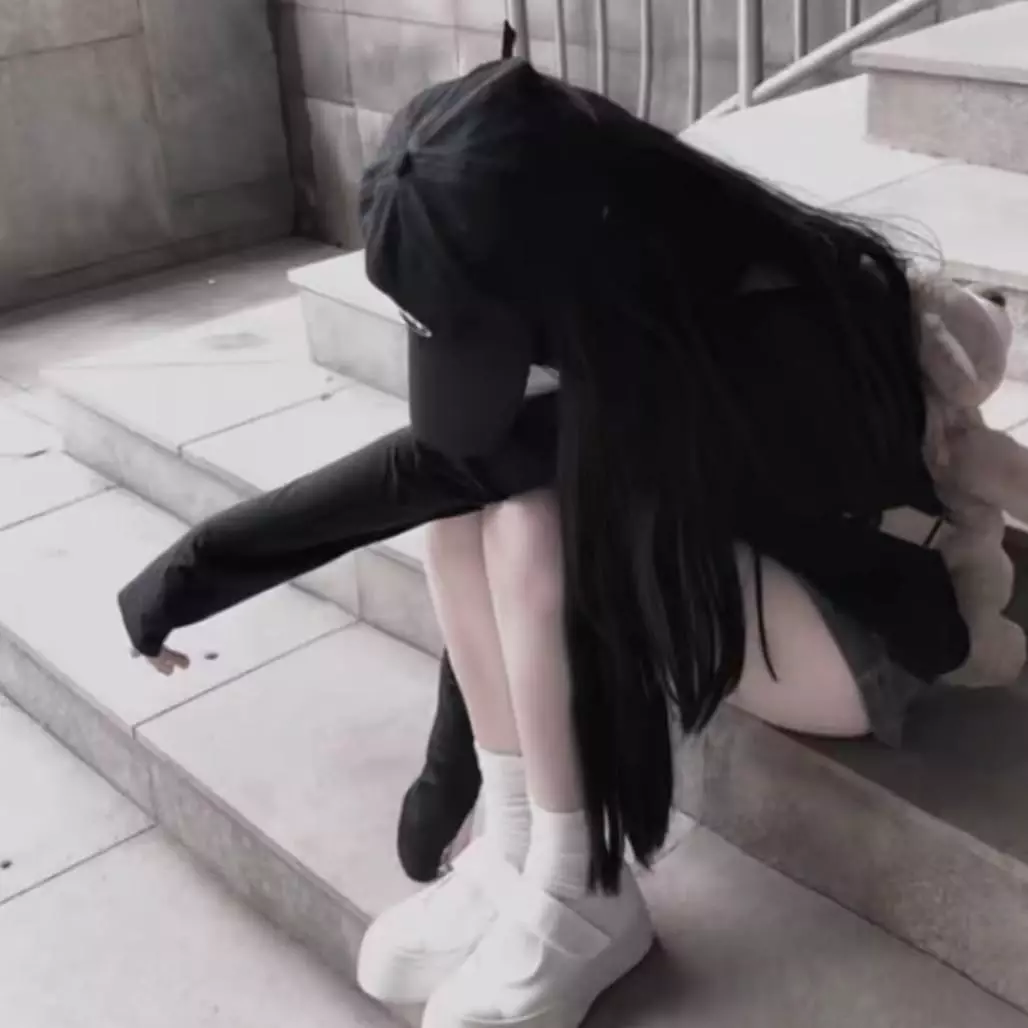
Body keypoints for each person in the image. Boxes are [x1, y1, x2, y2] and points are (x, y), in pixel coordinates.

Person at [121, 49, 981, 1028]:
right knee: (488, 498)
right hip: (758, 593)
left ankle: (584, 883)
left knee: (542, 517)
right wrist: (465, 787)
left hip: (857, 645)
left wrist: (190, 575)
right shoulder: (641, 270)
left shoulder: (746, 327)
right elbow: (452, 475)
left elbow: (460, 480)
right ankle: (523, 846)